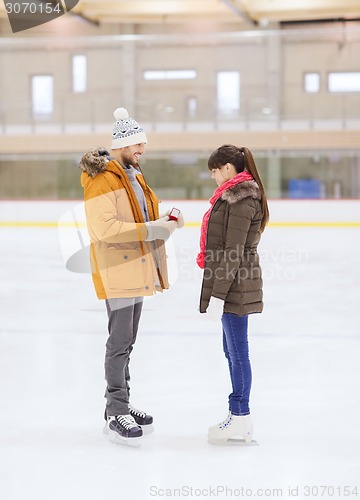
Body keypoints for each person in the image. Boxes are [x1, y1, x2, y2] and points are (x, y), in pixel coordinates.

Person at [79, 107, 184, 446]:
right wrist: (152, 228)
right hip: (117, 267)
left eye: (144, 145)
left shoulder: (133, 174)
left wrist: (165, 218)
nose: (142, 151)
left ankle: (123, 402)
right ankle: (115, 411)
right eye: (137, 144)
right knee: (119, 341)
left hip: (136, 264)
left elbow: (142, 214)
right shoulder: (102, 179)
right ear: (122, 144)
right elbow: (104, 229)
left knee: (128, 341)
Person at [197, 144, 269, 445]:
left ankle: (240, 415)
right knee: (232, 351)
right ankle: (239, 417)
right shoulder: (232, 197)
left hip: (235, 284)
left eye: (214, 171)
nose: (213, 177)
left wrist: (217, 295)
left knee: (238, 352)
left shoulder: (241, 199)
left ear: (227, 168)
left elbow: (232, 252)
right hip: (233, 282)